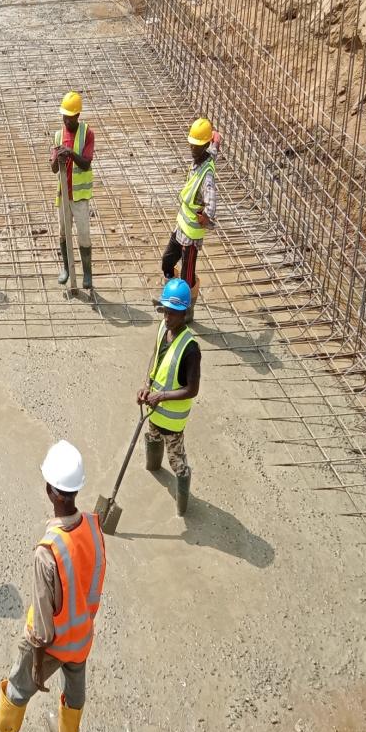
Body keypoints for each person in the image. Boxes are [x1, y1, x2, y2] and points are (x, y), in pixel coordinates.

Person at [0, 441, 106, 732]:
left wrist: (37, 661)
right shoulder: (93, 527)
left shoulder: (47, 551)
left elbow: (42, 621)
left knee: (19, 686)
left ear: (51, 491)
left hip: (53, 642)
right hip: (82, 636)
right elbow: (93, 582)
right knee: (75, 693)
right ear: (75, 490)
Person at [137, 278, 200, 515]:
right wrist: (146, 385)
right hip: (153, 411)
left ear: (184, 313)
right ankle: (154, 468)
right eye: (165, 311)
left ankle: (182, 509)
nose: (167, 317)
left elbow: (192, 389)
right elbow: (155, 357)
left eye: (172, 313)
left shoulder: (191, 349)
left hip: (173, 422)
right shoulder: (163, 329)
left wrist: (161, 396)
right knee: (153, 438)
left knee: (177, 463)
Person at [161, 117, 219, 320]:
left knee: (187, 275)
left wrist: (206, 218)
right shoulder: (204, 156)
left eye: (197, 145)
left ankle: (186, 311)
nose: (193, 149)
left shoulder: (207, 176)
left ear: (204, 145)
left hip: (192, 236)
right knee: (167, 261)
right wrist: (216, 140)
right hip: (181, 227)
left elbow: (212, 203)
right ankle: (172, 296)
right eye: (192, 144)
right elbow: (214, 150)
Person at [50, 91, 95, 289]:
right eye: (64, 116)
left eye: (70, 117)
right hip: (63, 194)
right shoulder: (58, 135)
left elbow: (86, 163)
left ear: (77, 115)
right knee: (63, 232)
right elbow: (53, 169)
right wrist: (57, 158)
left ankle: (87, 274)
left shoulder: (87, 134)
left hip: (80, 196)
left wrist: (71, 153)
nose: (66, 120)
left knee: (83, 234)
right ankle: (66, 268)